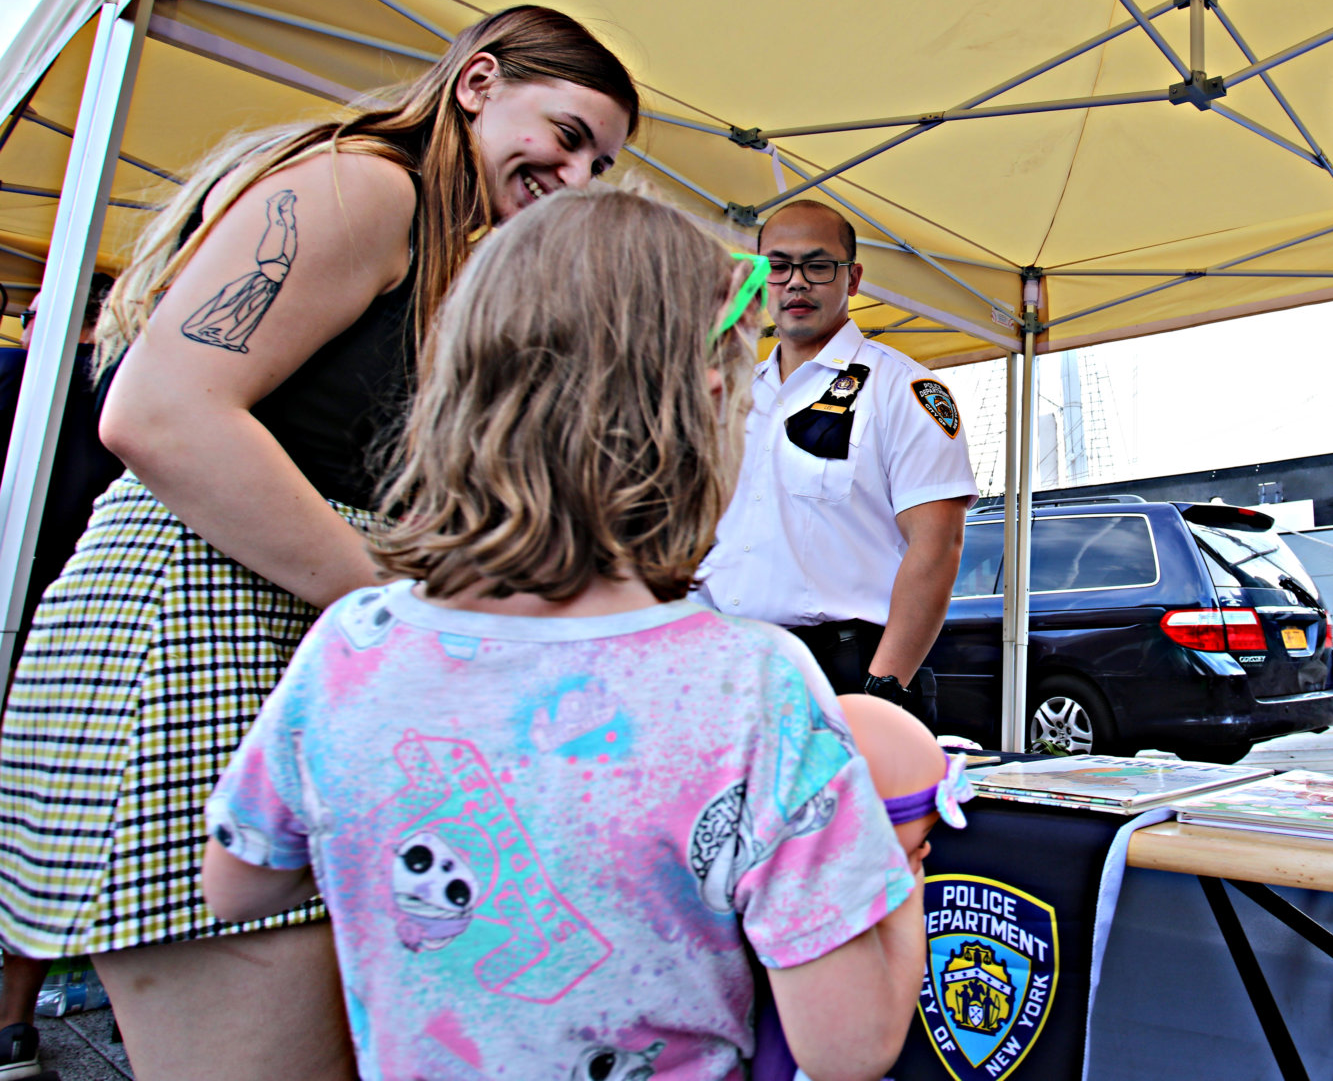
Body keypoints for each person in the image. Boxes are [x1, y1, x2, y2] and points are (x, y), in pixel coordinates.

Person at [0, 5, 638, 1081]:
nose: (575, 174)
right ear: (477, 81)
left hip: (264, 652)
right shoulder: (367, 186)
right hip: (186, 642)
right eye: (566, 133)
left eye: (600, 163)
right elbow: (158, 413)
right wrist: (404, 618)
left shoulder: (432, 240)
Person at [200, 189, 927, 1081]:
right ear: (702, 402)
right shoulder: (754, 684)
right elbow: (849, 1045)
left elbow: (238, 880)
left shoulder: (352, 641)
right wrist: (893, 856)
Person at [699, 200, 976, 728]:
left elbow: (937, 545)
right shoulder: (731, 394)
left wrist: (883, 690)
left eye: (817, 266)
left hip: (849, 672)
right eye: (777, 266)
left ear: (852, 278)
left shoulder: (902, 389)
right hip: (731, 671)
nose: (795, 283)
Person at [0, 276, 125, 1081]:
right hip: (87, 608)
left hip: (35, 602)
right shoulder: (127, 376)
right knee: (62, 817)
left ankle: (11, 1023)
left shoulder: (21, 371)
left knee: (31, 814)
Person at [753, 695, 973, 1081]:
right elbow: (864, 1051)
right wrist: (906, 888)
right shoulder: (816, 910)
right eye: (923, 834)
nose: (927, 848)